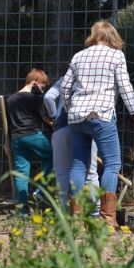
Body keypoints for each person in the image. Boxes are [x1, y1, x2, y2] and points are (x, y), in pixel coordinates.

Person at [62, 20, 134, 226]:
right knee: (112, 164)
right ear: (112, 37)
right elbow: (125, 87)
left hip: (77, 117)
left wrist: (69, 108)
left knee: (78, 165)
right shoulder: (116, 55)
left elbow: (65, 86)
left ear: (94, 36)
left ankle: (75, 218)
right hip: (102, 114)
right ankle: (107, 218)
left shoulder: (78, 56)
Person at [44, 79, 100, 214]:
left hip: (61, 128)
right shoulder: (96, 80)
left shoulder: (64, 80)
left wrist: (53, 116)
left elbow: (48, 97)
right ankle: (94, 211)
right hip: (86, 127)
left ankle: (65, 211)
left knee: (62, 171)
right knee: (90, 172)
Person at [6, 68, 53, 214]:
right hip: (33, 135)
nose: (42, 91)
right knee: (55, 157)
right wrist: (54, 126)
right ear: (35, 82)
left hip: (16, 139)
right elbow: (44, 118)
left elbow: (8, 122)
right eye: (42, 87)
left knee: (21, 173)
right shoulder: (35, 98)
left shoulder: (10, 99)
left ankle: (23, 211)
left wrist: (6, 142)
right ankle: (39, 191)